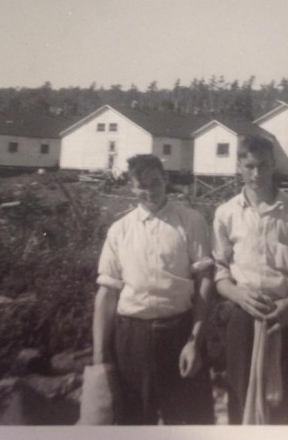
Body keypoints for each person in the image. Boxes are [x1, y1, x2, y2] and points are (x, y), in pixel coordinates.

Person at [212, 135, 288, 424]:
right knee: (245, 406)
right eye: (250, 166)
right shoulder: (226, 214)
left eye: (264, 166)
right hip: (245, 321)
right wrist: (237, 294)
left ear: (274, 165)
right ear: (239, 166)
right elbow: (219, 272)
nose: (257, 174)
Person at [92, 154, 215, 425]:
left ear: (166, 180)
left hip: (179, 335)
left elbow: (205, 281)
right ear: (132, 187)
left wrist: (195, 340)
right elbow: (107, 294)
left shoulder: (191, 221)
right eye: (142, 185)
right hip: (131, 341)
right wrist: (100, 357)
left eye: (155, 183)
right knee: (132, 427)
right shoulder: (119, 230)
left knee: (192, 427)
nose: (149, 192)